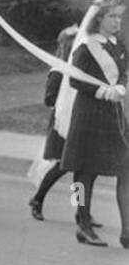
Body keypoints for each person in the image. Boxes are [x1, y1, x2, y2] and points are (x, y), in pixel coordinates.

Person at [56, 0, 128, 248]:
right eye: (113, 16)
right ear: (99, 20)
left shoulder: (118, 44)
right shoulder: (86, 47)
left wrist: (121, 87)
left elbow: (125, 71)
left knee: (118, 169)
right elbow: (75, 80)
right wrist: (101, 91)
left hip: (113, 115)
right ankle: (81, 221)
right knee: (83, 171)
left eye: (119, 16)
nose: (117, 21)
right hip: (88, 114)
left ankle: (123, 229)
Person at [28, 25, 94, 222]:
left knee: (81, 168)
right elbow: (49, 99)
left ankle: (80, 211)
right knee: (62, 165)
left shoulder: (79, 67)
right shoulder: (58, 70)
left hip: (79, 121)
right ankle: (38, 198)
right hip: (62, 123)